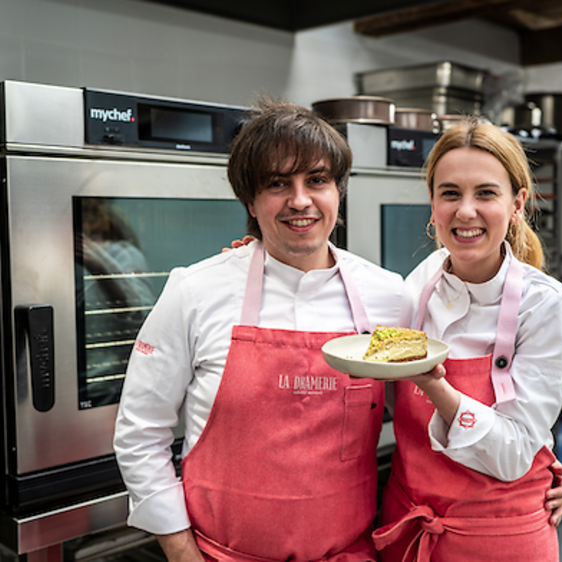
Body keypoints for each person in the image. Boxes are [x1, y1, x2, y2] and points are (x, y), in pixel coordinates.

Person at [113, 98, 413, 561]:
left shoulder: (388, 297)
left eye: (317, 180)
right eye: (277, 183)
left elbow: (425, 423)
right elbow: (141, 431)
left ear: (338, 192)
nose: (300, 200)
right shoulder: (195, 290)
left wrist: (538, 466)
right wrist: (179, 549)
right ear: (251, 202)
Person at [371, 119, 562, 561]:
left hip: (497, 538)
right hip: (408, 527)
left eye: (486, 193)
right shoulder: (420, 283)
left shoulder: (549, 308)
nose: (465, 211)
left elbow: (511, 455)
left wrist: (436, 385)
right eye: (450, 193)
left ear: (517, 203)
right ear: (432, 205)